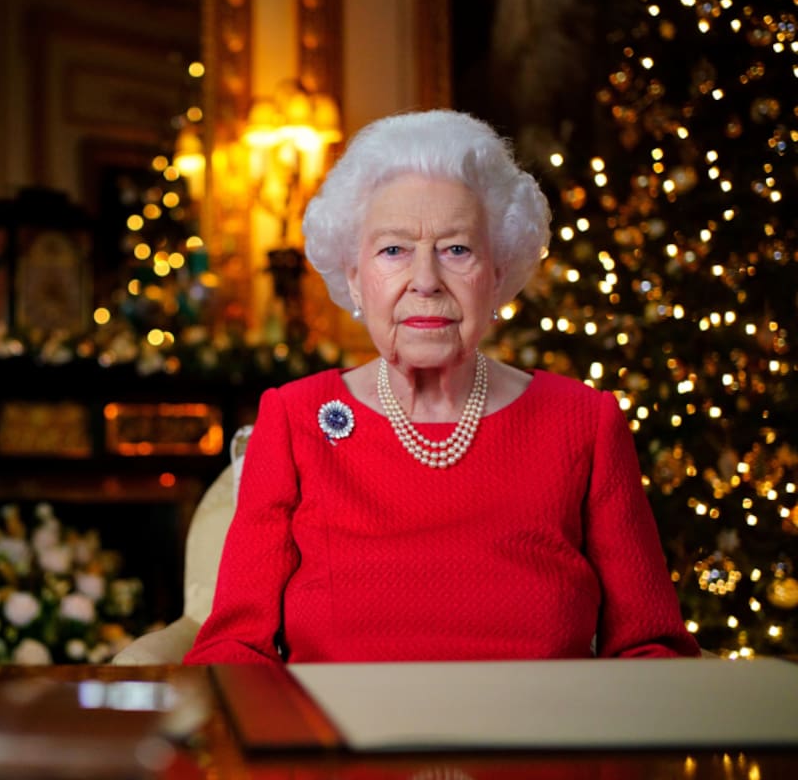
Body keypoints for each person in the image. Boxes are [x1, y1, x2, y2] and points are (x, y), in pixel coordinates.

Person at [185, 110, 701, 664]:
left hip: (536, 722)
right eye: (393, 250)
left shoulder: (582, 422)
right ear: (355, 278)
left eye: (457, 249)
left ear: (496, 275)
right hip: (340, 723)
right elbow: (233, 649)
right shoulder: (294, 418)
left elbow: (651, 648)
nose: (426, 281)